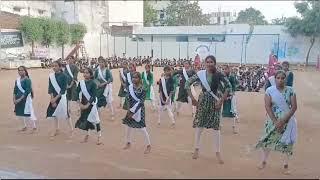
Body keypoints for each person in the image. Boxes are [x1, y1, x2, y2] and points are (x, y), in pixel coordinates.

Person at [185, 55, 231, 164]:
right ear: (205, 63)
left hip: (216, 102)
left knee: (216, 128)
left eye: (211, 62)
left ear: (214, 63)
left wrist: (221, 101)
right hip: (203, 101)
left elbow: (229, 87)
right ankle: (196, 149)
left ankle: (217, 152)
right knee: (200, 126)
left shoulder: (219, 74)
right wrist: (193, 99)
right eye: (208, 62)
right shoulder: (200, 74)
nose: (210, 64)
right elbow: (187, 84)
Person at [256, 70, 297, 175]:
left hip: (288, 120)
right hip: (272, 120)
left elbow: (294, 107)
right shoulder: (270, 90)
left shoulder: (290, 90)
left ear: (285, 79)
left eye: (282, 78)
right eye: (278, 78)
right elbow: (267, 106)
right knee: (267, 140)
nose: (280, 80)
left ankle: (286, 165)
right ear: (275, 79)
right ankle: (263, 161)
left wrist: (283, 121)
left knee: (287, 143)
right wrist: (275, 122)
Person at [122, 72, 151, 154]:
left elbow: (141, 101)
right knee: (128, 127)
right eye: (133, 77)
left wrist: (133, 111)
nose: (134, 79)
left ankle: (148, 145)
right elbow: (127, 98)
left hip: (139, 110)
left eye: (136, 77)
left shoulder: (143, 88)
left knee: (142, 128)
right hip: (130, 109)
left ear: (139, 79)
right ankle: (128, 142)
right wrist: (129, 110)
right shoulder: (130, 87)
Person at [46, 61, 74, 139]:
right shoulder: (51, 76)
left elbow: (63, 89)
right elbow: (50, 88)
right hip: (54, 97)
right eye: (53, 66)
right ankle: (56, 129)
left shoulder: (64, 76)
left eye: (56, 66)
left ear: (60, 67)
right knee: (54, 113)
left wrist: (55, 98)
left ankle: (71, 130)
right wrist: (52, 98)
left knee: (66, 114)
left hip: (62, 97)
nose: (54, 67)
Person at [75, 68, 102, 145]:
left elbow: (93, 96)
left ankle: (99, 136)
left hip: (92, 105)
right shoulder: (81, 83)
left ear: (90, 74)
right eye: (84, 73)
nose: (85, 74)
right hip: (83, 104)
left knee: (96, 120)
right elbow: (76, 93)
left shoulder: (93, 83)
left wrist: (87, 105)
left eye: (87, 73)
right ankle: (87, 135)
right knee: (85, 120)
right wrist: (80, 104)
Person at [13, 66, 37, 133]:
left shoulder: (27, 80)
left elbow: (27, 91)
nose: (20, 72)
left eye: (22, 70)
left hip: (26, 99)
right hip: (18, 99)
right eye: (19, 70)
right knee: (19, 113)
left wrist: (20, 99)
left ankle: (33, 127)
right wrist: (14, 98)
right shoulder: (17, 80)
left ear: (25, 71)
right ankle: (24, 126)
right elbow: (15, 90)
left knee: (28, 112)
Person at [222, 65, 239, 134]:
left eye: (225, 69)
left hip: (231, 96)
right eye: (223, 69)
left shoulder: (232, 77)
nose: (224, 70)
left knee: (233, 111)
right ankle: (219, 126)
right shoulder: (222, 77)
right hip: (223, 96)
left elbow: (234, 86)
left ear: (229, 69)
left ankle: (233, 128)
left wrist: (231, 95)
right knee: (220, 111)